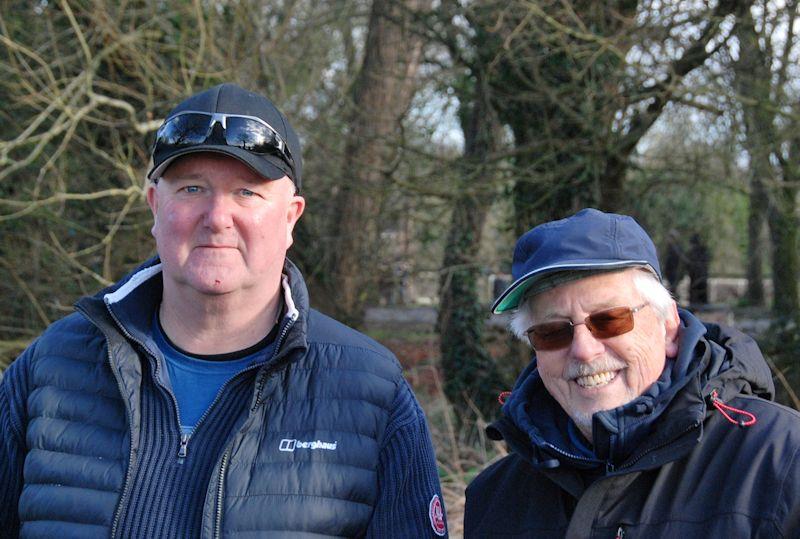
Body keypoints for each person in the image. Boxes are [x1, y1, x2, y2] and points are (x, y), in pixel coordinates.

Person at [0, 83, 448, 538]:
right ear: (156, 206)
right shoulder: (51, 366)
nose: (217, 216)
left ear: (291, 217)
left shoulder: (371, 392)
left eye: (247, 192)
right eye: (192, 188)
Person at [465, 208, 800, 538]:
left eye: (609, 320)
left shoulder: (782, 462)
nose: (584, 349)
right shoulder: (493, 499)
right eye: (552, 332)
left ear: (668, 327)